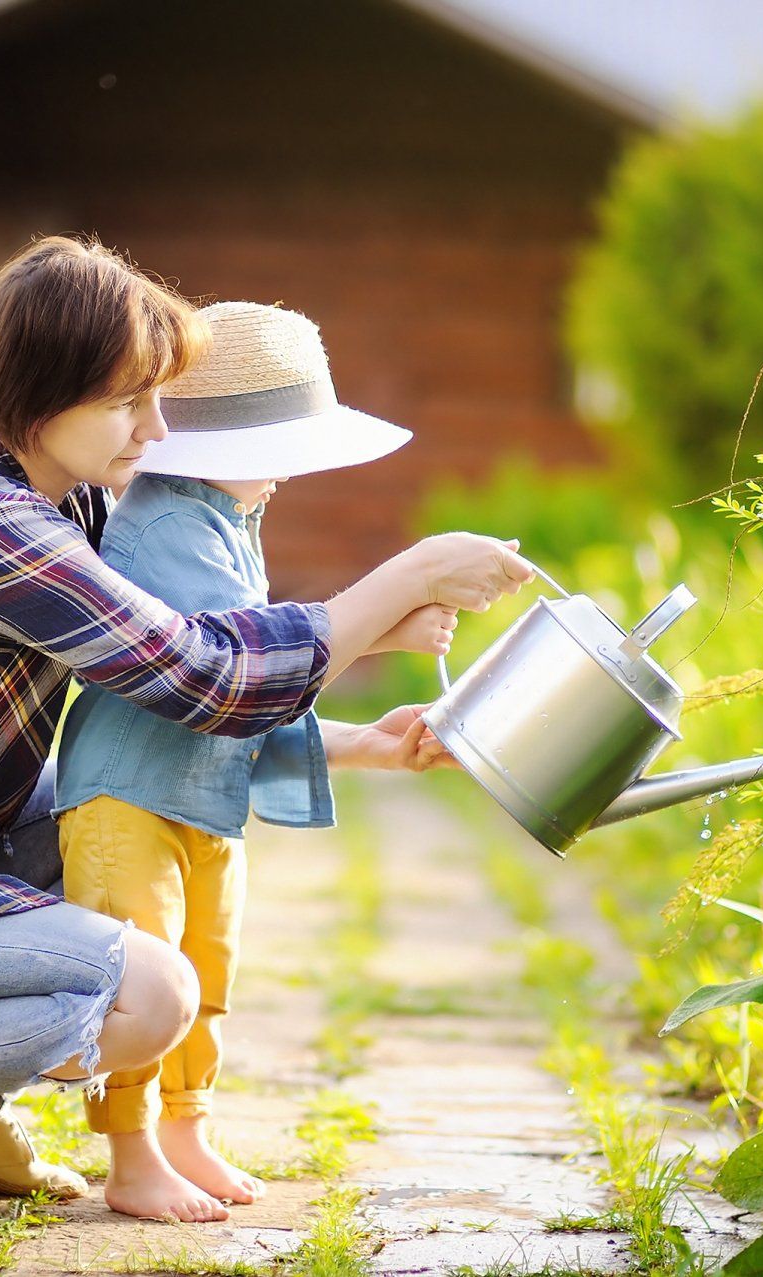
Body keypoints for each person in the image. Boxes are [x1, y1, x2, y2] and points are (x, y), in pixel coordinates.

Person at [0, 237, 532, 1226]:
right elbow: (203, 673)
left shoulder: (57, 499)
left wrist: (362, 738)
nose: (156, 430)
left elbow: (150, 727)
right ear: (39, 393)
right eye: (126, 400)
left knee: (106, 813)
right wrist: (407, 577)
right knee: (153, 992)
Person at [53, 302, 459, 1221]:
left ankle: (187, 1122)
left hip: (201, 796)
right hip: (126, 793)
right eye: (280, 450)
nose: (285, 477)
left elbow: (258, 702)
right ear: (216, 447)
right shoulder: (162, 526)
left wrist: (374, 746)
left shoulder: (228, 520)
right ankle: (132, 1150)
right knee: (140, 960)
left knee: (208, 968)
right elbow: (235, 669)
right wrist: (386, 628)